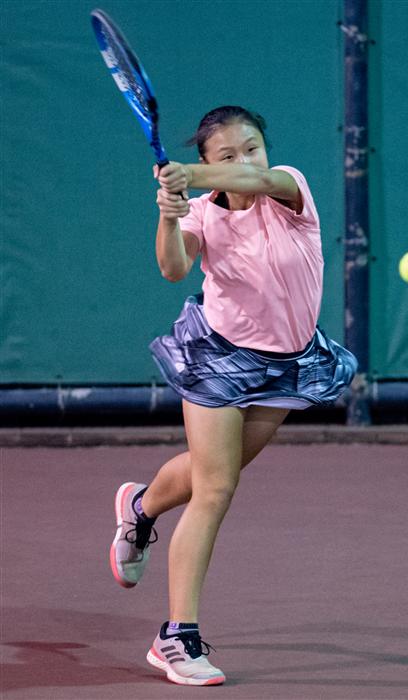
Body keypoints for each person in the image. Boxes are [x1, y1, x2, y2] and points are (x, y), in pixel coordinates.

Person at [110, 106, 357, 686]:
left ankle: (140, 507)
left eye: (252, 148)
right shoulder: (202, 212)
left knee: (213, 470)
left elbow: (256, 180)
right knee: (217, 487)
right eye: (228, 154)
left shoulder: (289, 188)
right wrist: (170, 214)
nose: (245, 161)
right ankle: (176, 638)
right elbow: (174, 268)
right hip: (218, 359)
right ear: (207, 159)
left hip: (287, 363)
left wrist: (191, 174)